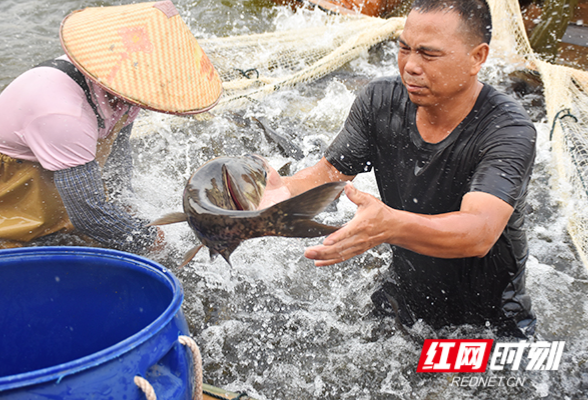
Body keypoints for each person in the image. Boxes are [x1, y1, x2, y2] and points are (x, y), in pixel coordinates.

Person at [260, 0, 537, 337]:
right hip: (402, 300)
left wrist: (389, 226)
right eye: (404, 48)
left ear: (477, 57)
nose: (410, 66)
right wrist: (280, 191)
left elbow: (478, 232)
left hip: (485, 324)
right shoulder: (380, 102)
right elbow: (325, 176)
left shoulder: (507, 130)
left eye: (429, 54)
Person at [0, 1, 222, 254]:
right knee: (19, 251)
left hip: (58, 175)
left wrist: (127, 206)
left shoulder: (126, 88)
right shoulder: (62, 113)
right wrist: (154, 241)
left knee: (112, 231)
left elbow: (117, 157)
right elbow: (88, 214)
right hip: (14, 186)